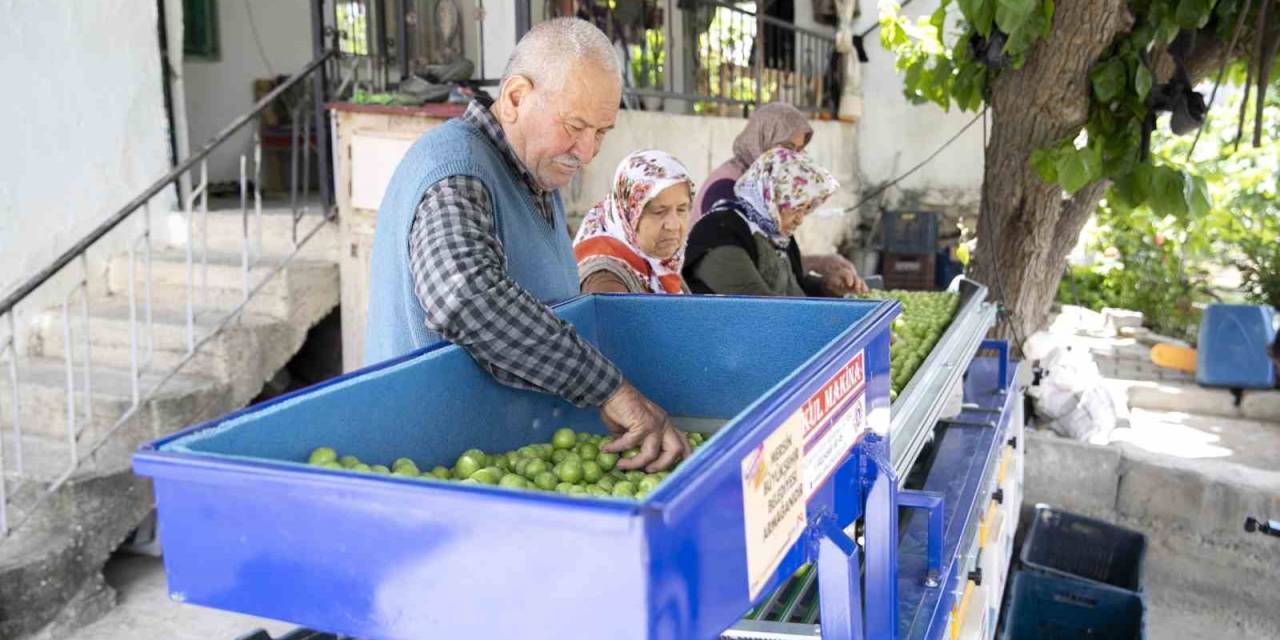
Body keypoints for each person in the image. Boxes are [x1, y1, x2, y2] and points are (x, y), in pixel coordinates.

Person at [364, 18, 688, 471]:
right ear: (516, 98)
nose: (588, 151)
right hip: (434, 465)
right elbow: (468, 298)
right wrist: (609, 389)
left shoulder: (536, 174)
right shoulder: (456, 173)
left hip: (506, 460)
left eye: (601, 132)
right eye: (575, 126)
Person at [694, 103, 866, 293]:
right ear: (762, 137)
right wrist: (817, 263)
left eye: (800, 150)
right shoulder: (727, 205)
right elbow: (761, 305)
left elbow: (787, 280)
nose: (794, 158)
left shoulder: (771, 216)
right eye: (787, 147)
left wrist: (826, 286)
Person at [683, 147, 858, 297]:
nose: (800, 219)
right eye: (795, 207)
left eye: (806, 209)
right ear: (772, 195)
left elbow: (792, 284)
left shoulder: (775, 233)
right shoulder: (721, 231)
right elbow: (762, 309)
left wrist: (826, 286)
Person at [573, 150, 695, 294]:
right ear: (627, 214)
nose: (673, 225)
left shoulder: (661, 265)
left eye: (681, 210)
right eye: (658, 211)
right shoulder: (605, 281)